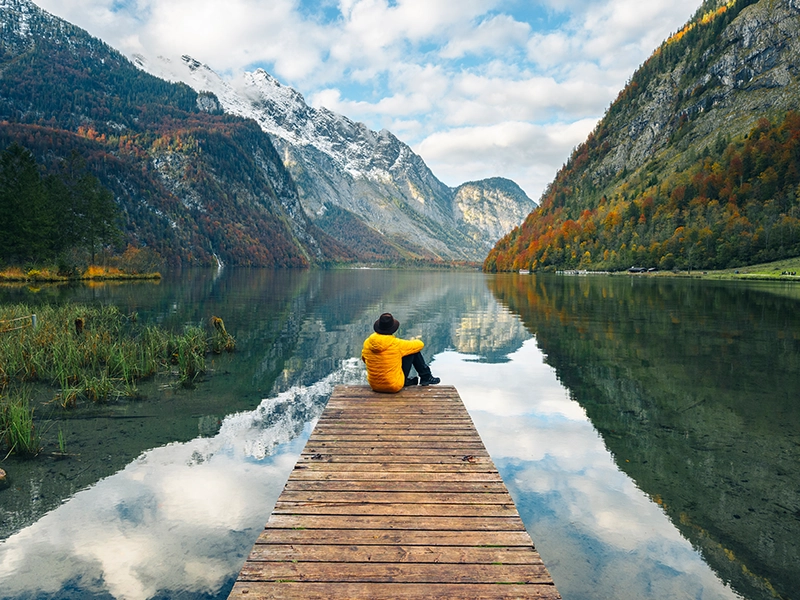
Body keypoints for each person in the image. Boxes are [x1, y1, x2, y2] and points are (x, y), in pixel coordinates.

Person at [361, 312, 440, 393]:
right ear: (392, 328)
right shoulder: (396, 344)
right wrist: (412, 340)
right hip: (394, 386)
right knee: (412, 351)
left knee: (396, 355)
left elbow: (364, 360)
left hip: (375, 386)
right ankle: (426, 377)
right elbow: (420, 345)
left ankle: (411, 380)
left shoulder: (367, 343)